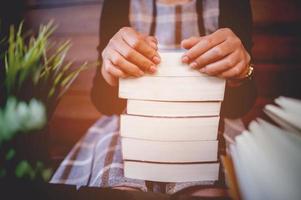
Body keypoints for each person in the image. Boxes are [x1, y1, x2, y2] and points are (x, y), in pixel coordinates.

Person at [51, 0, 256, 196]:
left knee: (210, 187)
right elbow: (103, 102)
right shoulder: (118, 3)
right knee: (119, 186)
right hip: (130, 117)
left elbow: (240, 105)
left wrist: (242, 70)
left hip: (214, 119)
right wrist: (110, 68)